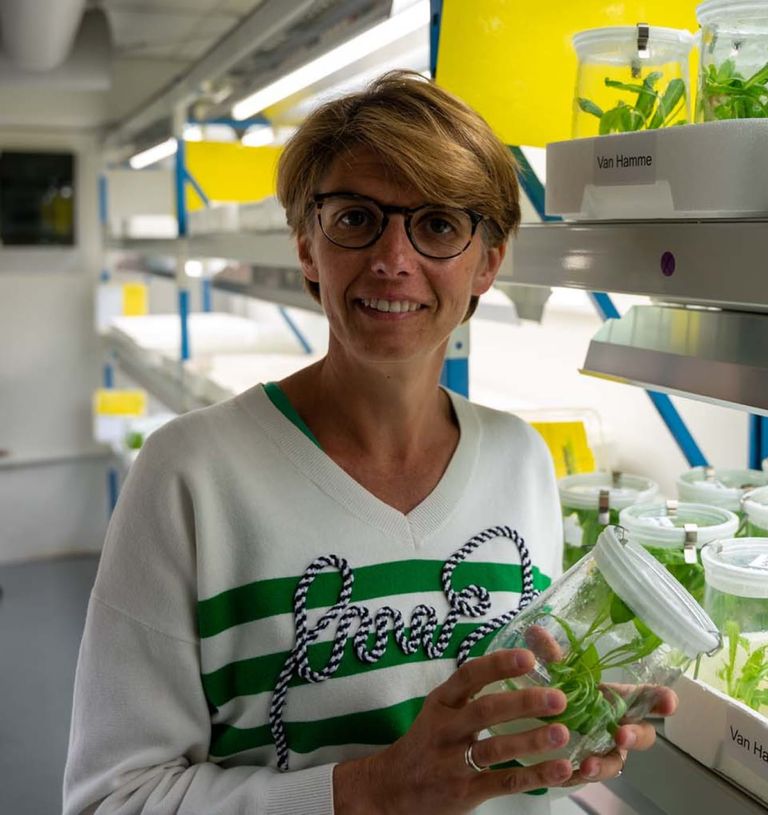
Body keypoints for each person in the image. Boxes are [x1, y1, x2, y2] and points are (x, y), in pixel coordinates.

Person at [63, 70, 675, 815]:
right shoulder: (191, 476)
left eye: (440, 224)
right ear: (307, 246)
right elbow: (111, 799)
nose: (393, 258)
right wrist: (372, 792)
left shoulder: (520, 461)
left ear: (488, 260)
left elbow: (491, 738)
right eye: (356, 218)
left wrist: (560, 722)